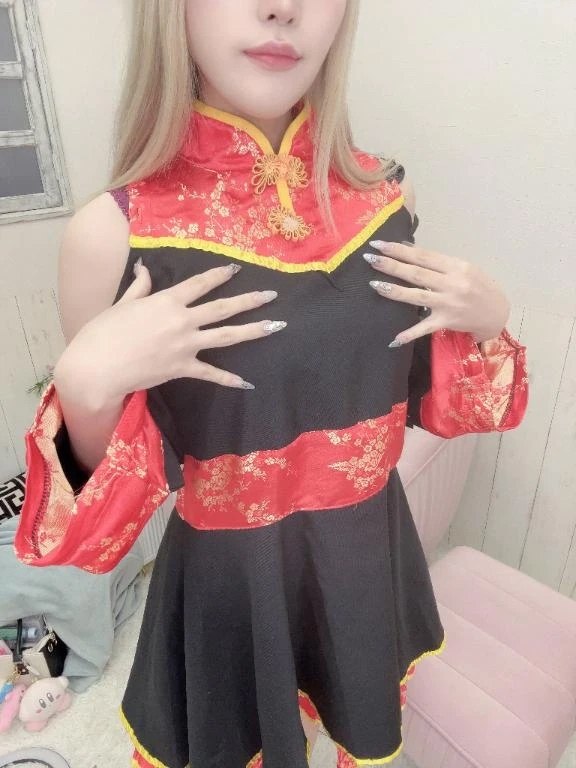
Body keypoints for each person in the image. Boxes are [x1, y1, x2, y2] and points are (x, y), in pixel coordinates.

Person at [15, 1, 529, 766]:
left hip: (367, 550)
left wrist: (489, 323)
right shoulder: (116, 233)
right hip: (230, 576)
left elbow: (460, 408)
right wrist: (85, 393)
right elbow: (90, 536)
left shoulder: (387, 198)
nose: (282, 7)